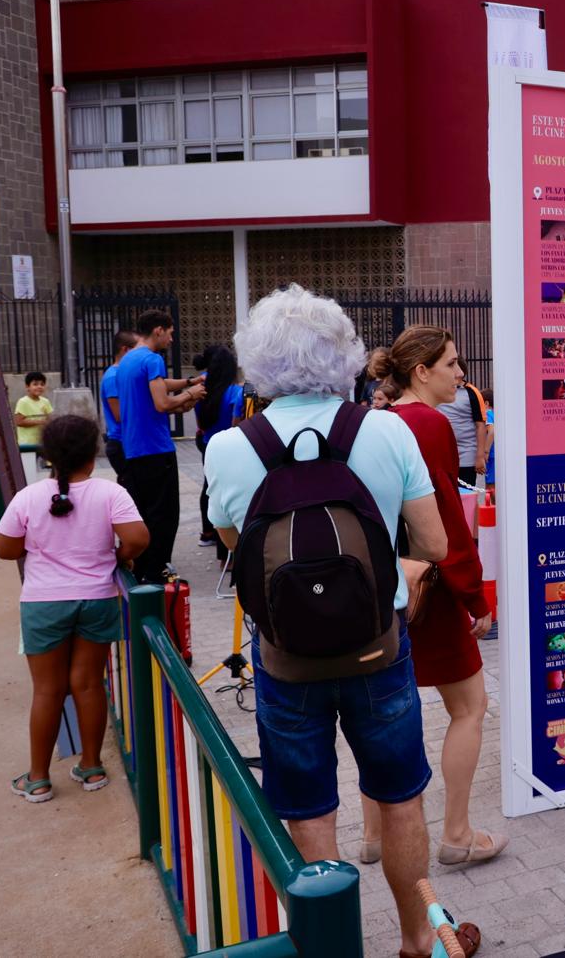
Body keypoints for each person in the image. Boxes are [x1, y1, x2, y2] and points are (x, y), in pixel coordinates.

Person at [203, 286, 476, 958]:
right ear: (347, 356)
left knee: (307, 807)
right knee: (401, 797)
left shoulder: (229, 447)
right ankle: (418, 938)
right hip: (378, 652)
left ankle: (330, 945)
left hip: (285, 661)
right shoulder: (386, 430)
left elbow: (239, 550)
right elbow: (437, 545)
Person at [361, 325, 506, 873]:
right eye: (452, 363)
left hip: (385, 589)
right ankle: (458, 834)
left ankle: (374, 836)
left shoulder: (377, 422)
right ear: (422, 371)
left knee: (378, 713)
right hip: (433, 588)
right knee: (469, 706)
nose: (461, 374)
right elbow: (444, 518)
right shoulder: (427, 423)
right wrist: (476, 599)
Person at [0, 414, 148, 804]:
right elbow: (137, 539)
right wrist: (118, 556)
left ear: (47, 456)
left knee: (47, 690)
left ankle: (39, 778)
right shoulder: (110, 493)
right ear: (93, 455)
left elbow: (6, 549)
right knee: (88, 684)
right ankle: (92, 766)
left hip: (43, 603)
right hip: (95, 597)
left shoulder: (28, 497)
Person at [115, 310, 204, 582]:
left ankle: (141, 569)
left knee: (144, 512)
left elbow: (160, 386)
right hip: (156, 450)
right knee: (165, 516)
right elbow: (162, 403)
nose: (172, 338)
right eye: (170, 332)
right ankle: (156, 572)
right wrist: (192, 394)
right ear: (158, 330)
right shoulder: (153, 360)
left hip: (134, 450)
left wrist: (189, 382)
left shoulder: (129, 360)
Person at [193, 345, 244, 558]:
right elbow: (236, 422)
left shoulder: (202, 387)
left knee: (209, 487)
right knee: (229, 491)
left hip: (207, 442)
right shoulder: (235, 391)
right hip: (229, 447)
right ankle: (227, 548)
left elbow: (199, 423)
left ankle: (207, 533)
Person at [437, 359, 491, 486]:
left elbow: (481, 425)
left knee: (466, 497)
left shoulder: (472, 392)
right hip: (443, 455)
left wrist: (480, 456)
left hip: (466, 455)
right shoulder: (438, 390)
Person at [99, 330, 141, 486]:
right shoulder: (112, 377)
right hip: (120, 443)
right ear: (125, 349)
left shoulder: (123, 373)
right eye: (138, 348)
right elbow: (119, 415)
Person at [15, 371, 54, 474]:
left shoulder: (45, 401)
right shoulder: (23, 402)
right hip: (27, 443)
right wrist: (40, 422)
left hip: (42, 442)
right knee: (29, 472)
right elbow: (19, 421)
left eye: (42, 384)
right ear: (27, 387)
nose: (39, 387)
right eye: (35, 384)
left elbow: (51, 418)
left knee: (55, 466)